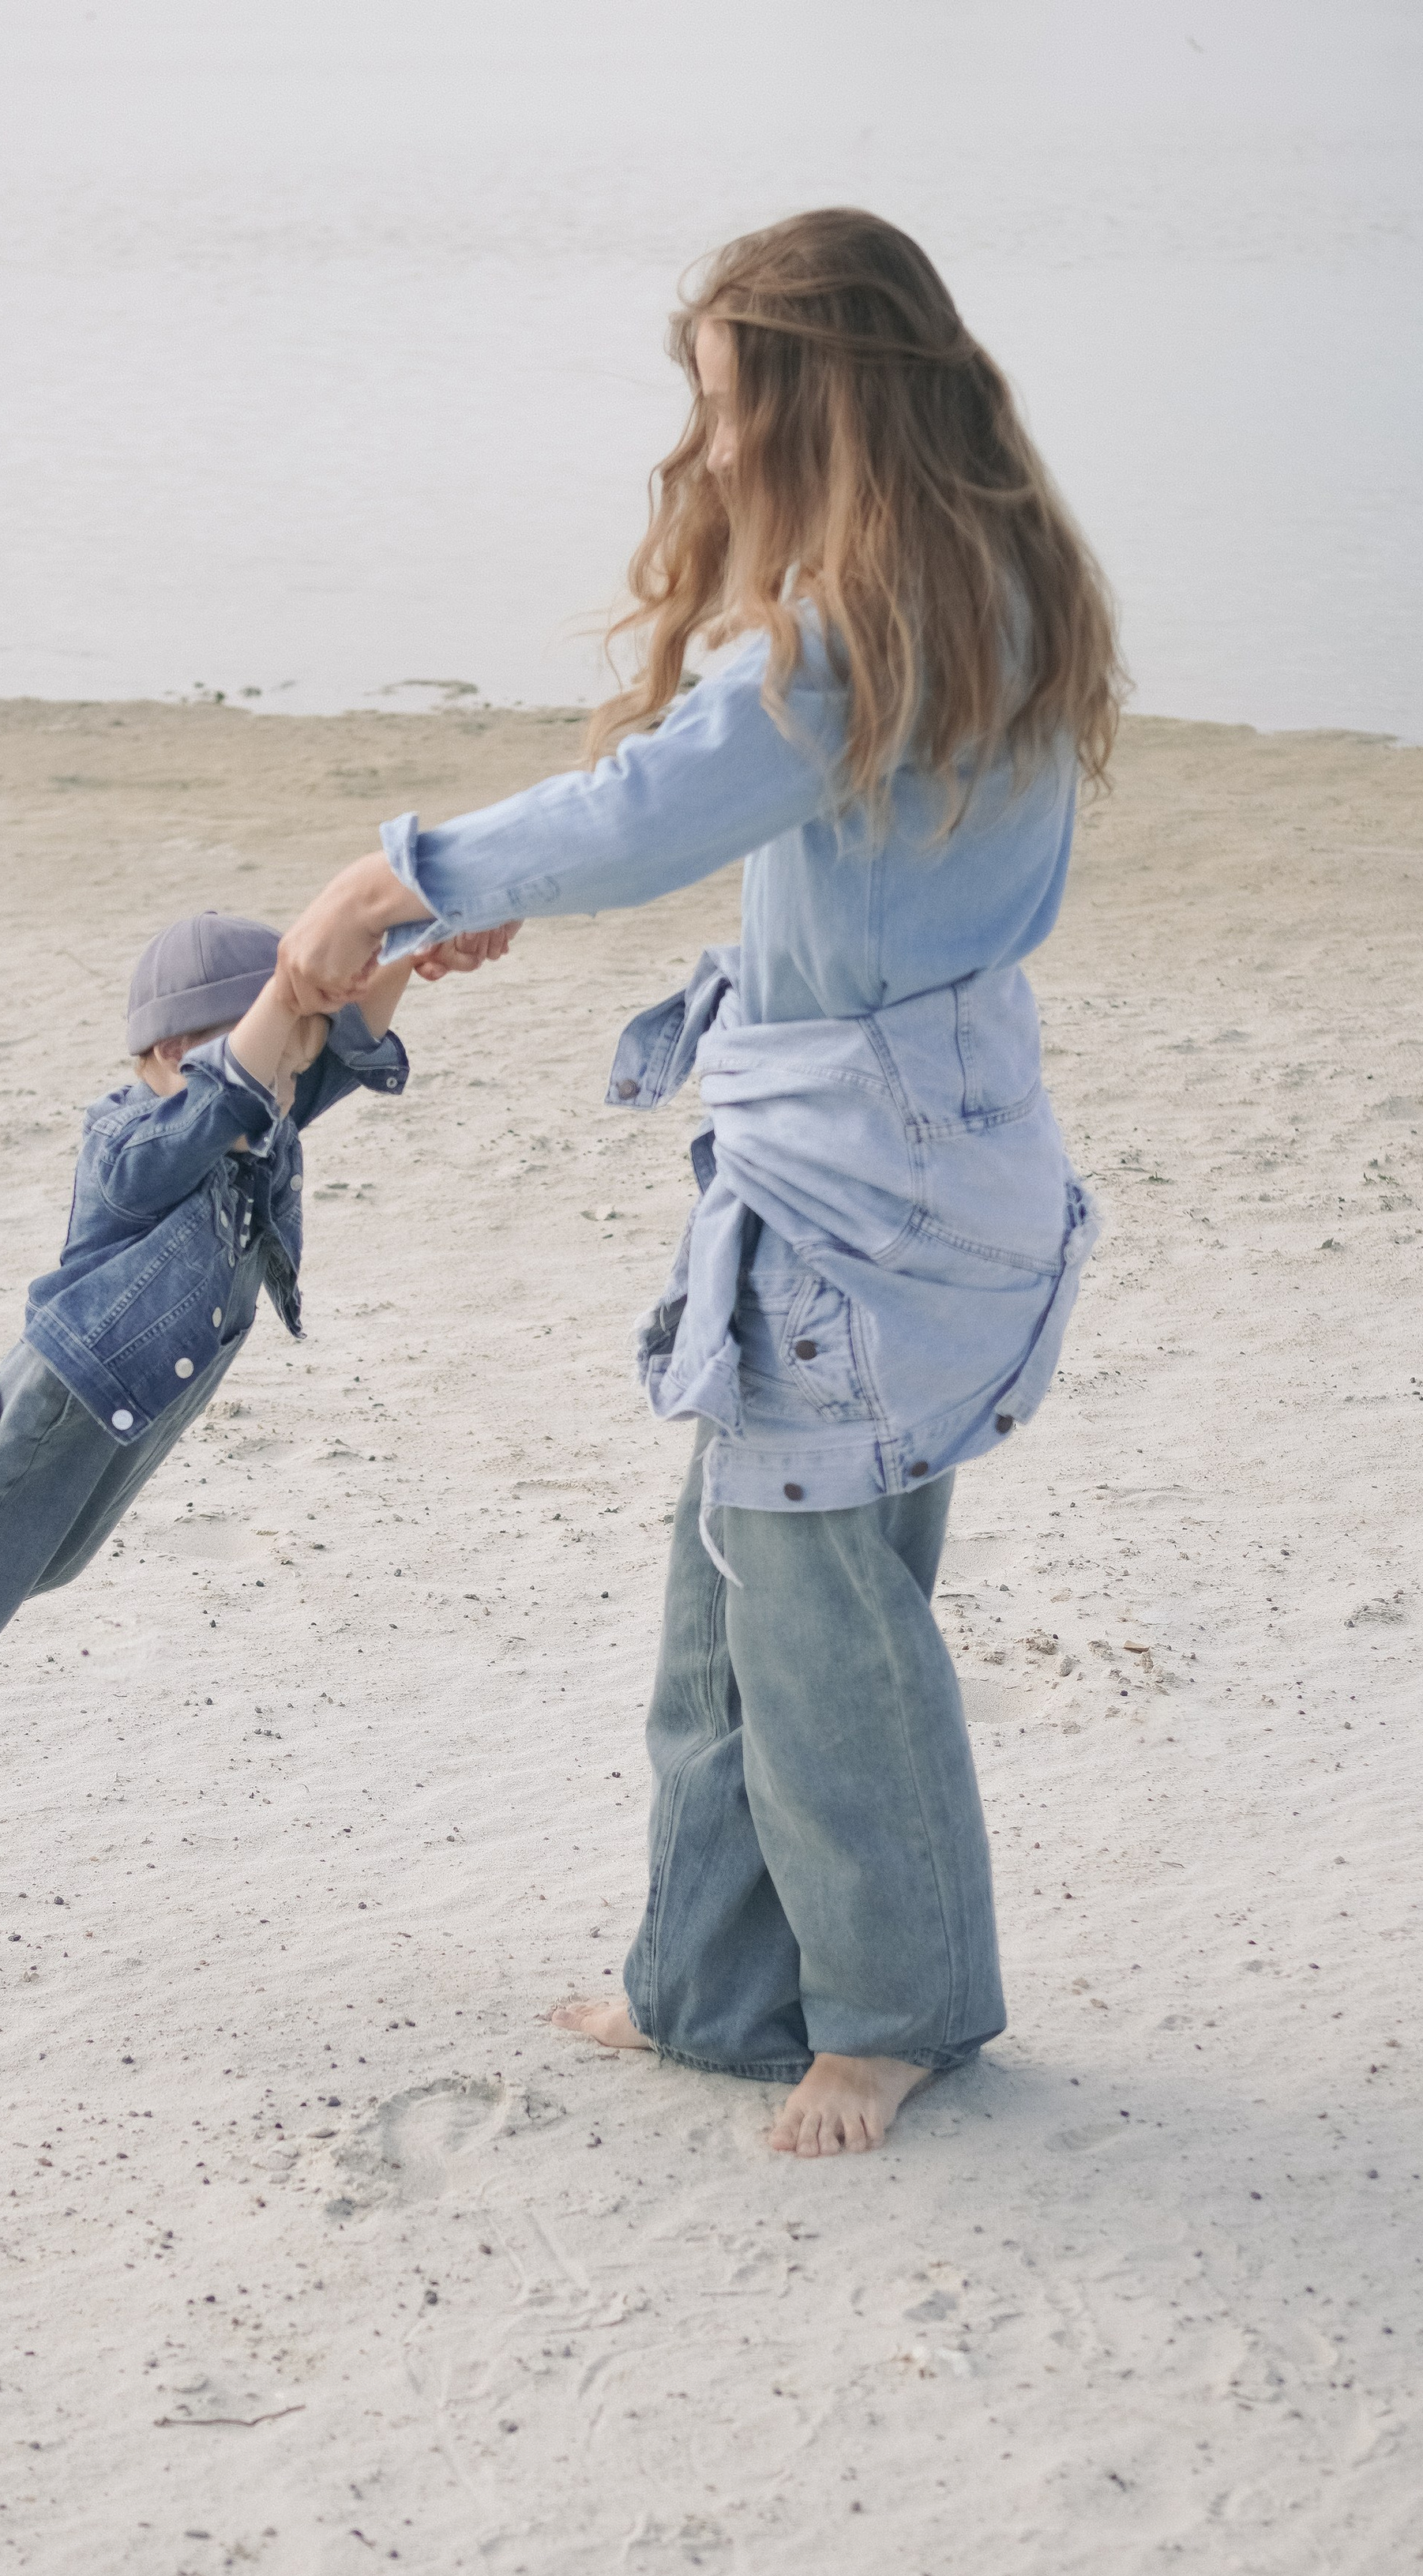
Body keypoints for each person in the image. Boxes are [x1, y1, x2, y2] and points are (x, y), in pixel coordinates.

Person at [272, 209, 1125, 2158]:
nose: (711, 448)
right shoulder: (986, 581)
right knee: (745, 1585)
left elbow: (644, 804)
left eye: (732, 404)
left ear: (821, 402)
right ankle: (715, 1988)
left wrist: (392, 876)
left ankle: (891, 2013)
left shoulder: (851, 639)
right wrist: (482, 905)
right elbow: (763, 830)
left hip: (857, 1185)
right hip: (942, 1146)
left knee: (814, 1610)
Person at [0, 908, 502, 1732]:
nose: (289, 1095)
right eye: (283, 1063)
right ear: (181, 1055)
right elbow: (214, 1108)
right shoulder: (131, 1143)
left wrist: (404, 951)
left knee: (50, 1558)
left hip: (143, 1395)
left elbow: (345, 1043)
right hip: (68, 1389)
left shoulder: (262, 1104)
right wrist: (282, 1001)